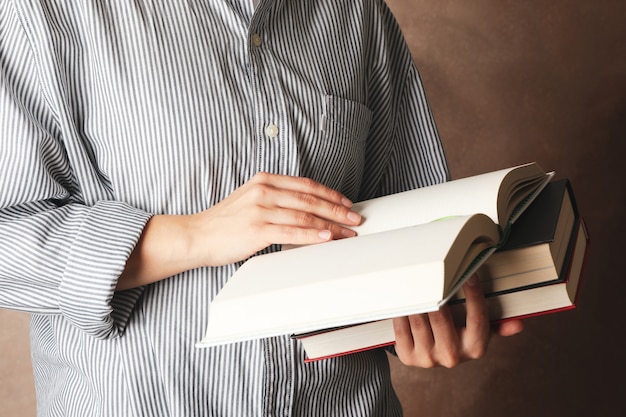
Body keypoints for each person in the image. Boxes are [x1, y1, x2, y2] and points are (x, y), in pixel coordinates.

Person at [0, 1, 523, 416]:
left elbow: (411, 221)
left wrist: (429, 312)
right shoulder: (42, 12)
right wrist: (193, 236)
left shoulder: (356, 13)